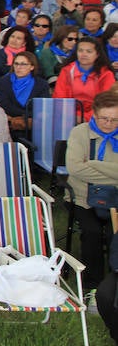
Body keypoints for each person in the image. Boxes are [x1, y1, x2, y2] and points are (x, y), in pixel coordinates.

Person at [66, 90, 118, 291]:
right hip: (83, 197)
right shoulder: (80, 133)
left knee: (117, 234)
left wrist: (94, 164)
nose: (109, 124)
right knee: (92, 232)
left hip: (115, 197)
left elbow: (85, 167)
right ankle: (92, 286)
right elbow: (76, 168)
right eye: (104, 118)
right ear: (94, 115)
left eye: (115, 120)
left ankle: (114, 284)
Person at [53, 37, 116, 121]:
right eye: (80, 51)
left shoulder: (106, 74)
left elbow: (106, 102)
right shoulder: (66, 71)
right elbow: (59, 97)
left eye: (89, 51)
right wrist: (71, 117)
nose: (84, 54)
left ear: (97, 54)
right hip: (68, 117)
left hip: (98, 117)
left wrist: (86, 117)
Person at [0, 51, 51, 134]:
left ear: (32, 67)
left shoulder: (41, 84)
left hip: (34, 125)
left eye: (23, 64)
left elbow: (42, 106)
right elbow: (4, 104)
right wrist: (24, 116)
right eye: (16, 64)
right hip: (9, 124)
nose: (18, 67)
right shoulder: (3, 82)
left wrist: (27, 118)